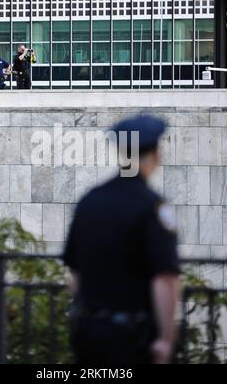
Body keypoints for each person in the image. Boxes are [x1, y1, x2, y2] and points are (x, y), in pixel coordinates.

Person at [63, 115, 181, 365]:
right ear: (157, 155)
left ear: (121, 153)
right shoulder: (153, 207)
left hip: (89, 331)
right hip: (131, 337)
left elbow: (74, 275)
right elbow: (165, 279)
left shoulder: (89, 201)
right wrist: (166, 340)